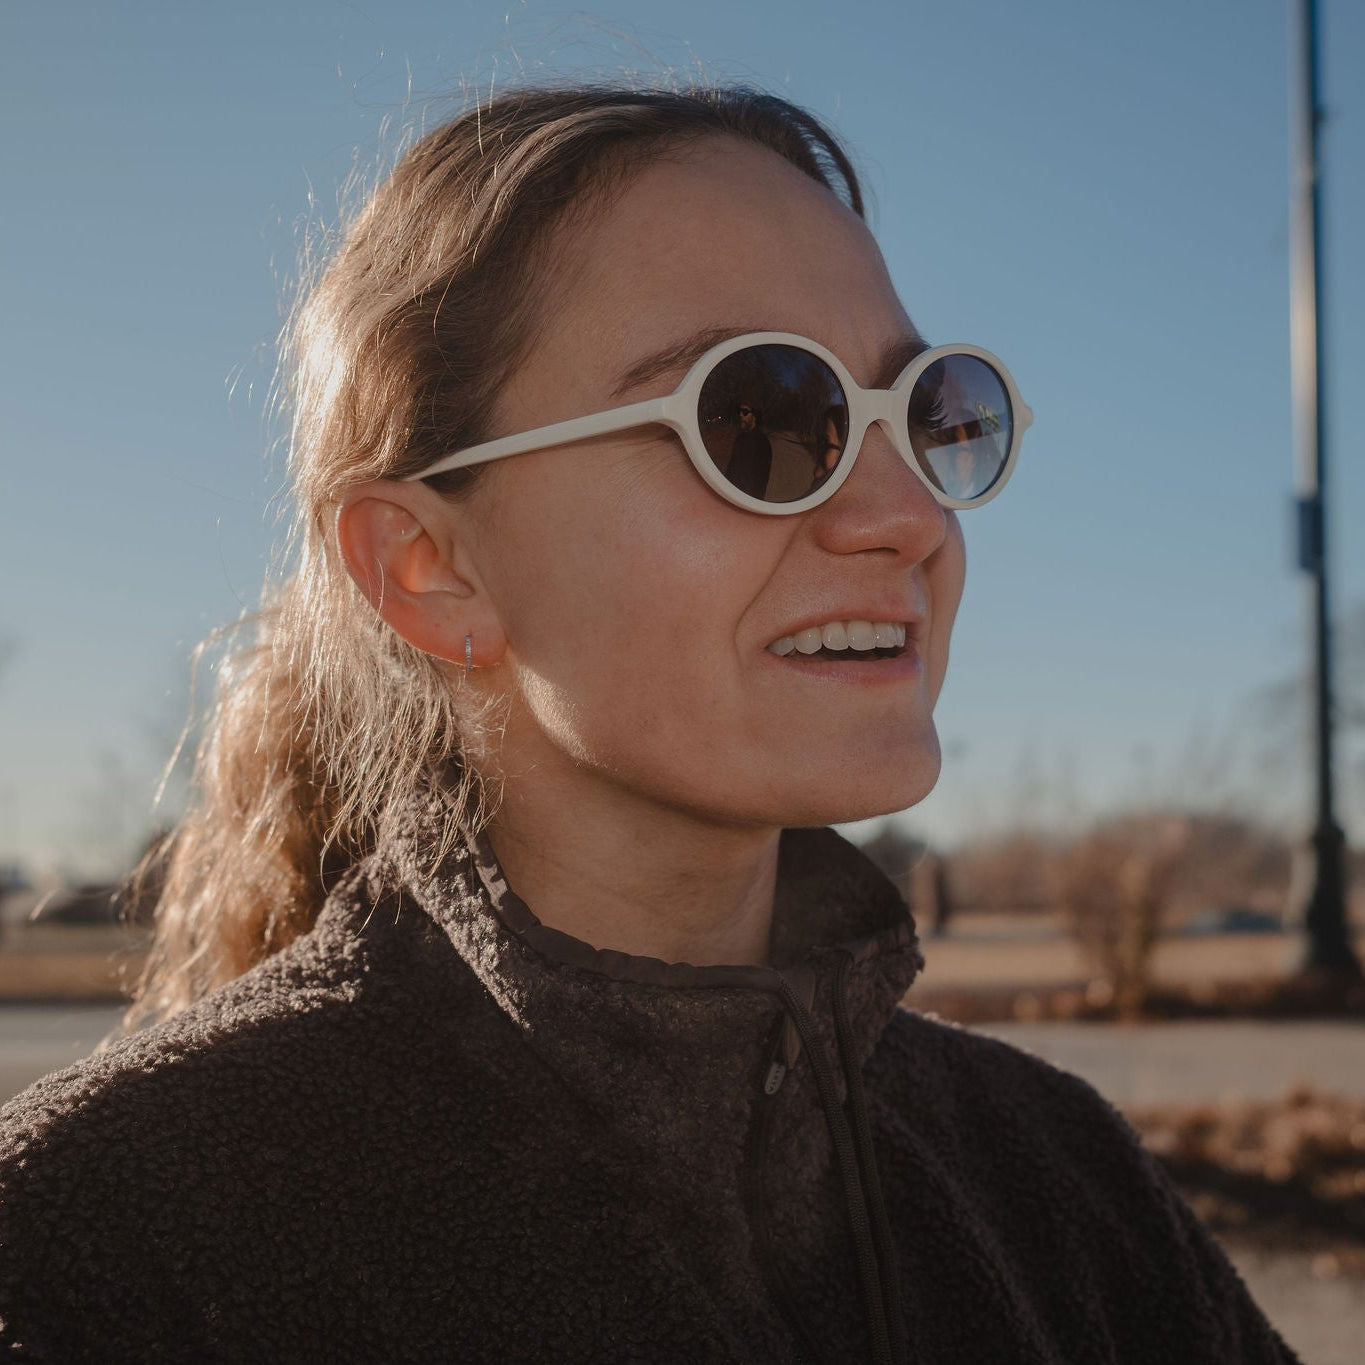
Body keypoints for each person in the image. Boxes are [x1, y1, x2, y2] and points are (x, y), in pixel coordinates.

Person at [0, 85, 1295, 1364]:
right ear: (427, 566)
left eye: (928, 413)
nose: (909, 517)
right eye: (761, 418)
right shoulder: (93, 1255)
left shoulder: (1060, 1181)